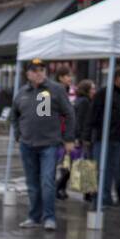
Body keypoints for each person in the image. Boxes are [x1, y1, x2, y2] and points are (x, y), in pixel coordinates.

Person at [12, 58, 74, 230]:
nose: (39, 73)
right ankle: (34, 216)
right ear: (28, 74)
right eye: (35, 70)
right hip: (27, 144)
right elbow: (14, 115)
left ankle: (49, 217)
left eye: (41, 70)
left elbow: (69, 114)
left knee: (47, 181)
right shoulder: (22, 92)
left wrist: (68, 138)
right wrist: (18, 134)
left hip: (49, 144)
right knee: (32, 183)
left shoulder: (55, 89)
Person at [89, 67, 120, 206]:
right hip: (104, 138)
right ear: (117, 78)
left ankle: (105, 197)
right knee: (101, 169)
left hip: (118, 139)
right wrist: (88, 135)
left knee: (111, 170)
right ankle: (99, 198)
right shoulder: (104, 93)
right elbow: (93, 114)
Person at [73, 79, 97, 204]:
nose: (94, 90)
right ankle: (88, 193)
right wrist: (82, 138)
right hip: (85, 138)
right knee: (87, 164)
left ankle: (88, 192)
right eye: (92, 88)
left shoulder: (82, 101)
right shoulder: (85, 103)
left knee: (85, 163)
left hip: (83, 137)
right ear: (86, 90)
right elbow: (81, 121)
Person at [54, 68, 76, 199]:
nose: (70, 78)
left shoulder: (72, 92)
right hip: (56, 133)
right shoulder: (52, 91)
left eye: (71, 75)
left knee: (68, 163)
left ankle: (59, 187)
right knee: (56, 163)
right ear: (60, 77)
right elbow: (44, 113)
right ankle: (56, 188)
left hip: (67, 134)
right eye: (68, 75)